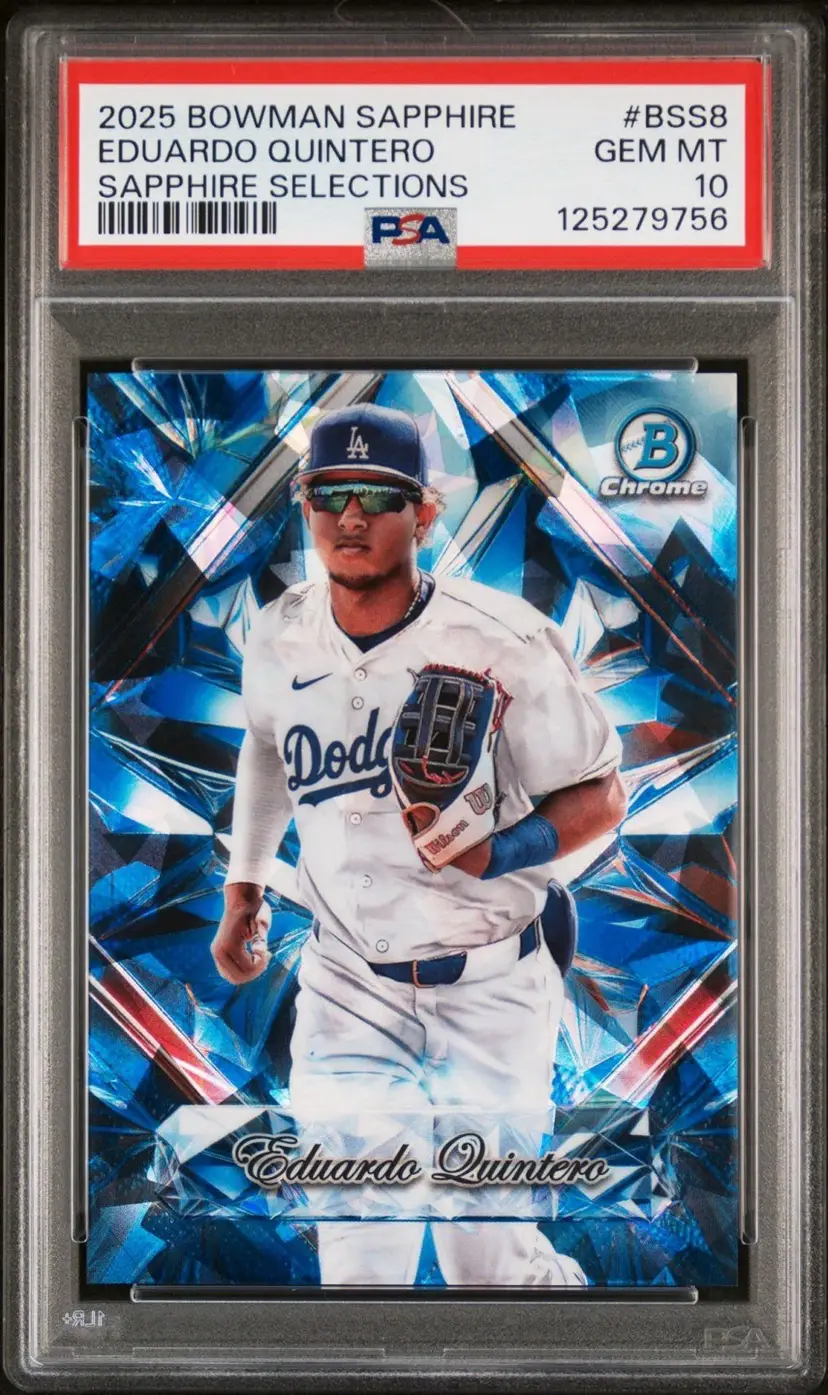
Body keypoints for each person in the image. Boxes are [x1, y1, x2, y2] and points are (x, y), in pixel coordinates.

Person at [212, 402, 626, 1286]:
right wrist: (243, 888)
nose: (349, 515)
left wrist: (500, 853)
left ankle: (592, 1334)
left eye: (377, 495)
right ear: (304, 504)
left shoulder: (504, 638)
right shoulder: (278, 633)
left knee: (489, 1269)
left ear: (425, 515)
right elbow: (266, 747)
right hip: (346, 986)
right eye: (330, 493)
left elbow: (602, 795)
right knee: (360, 1266)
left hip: (493, 989)